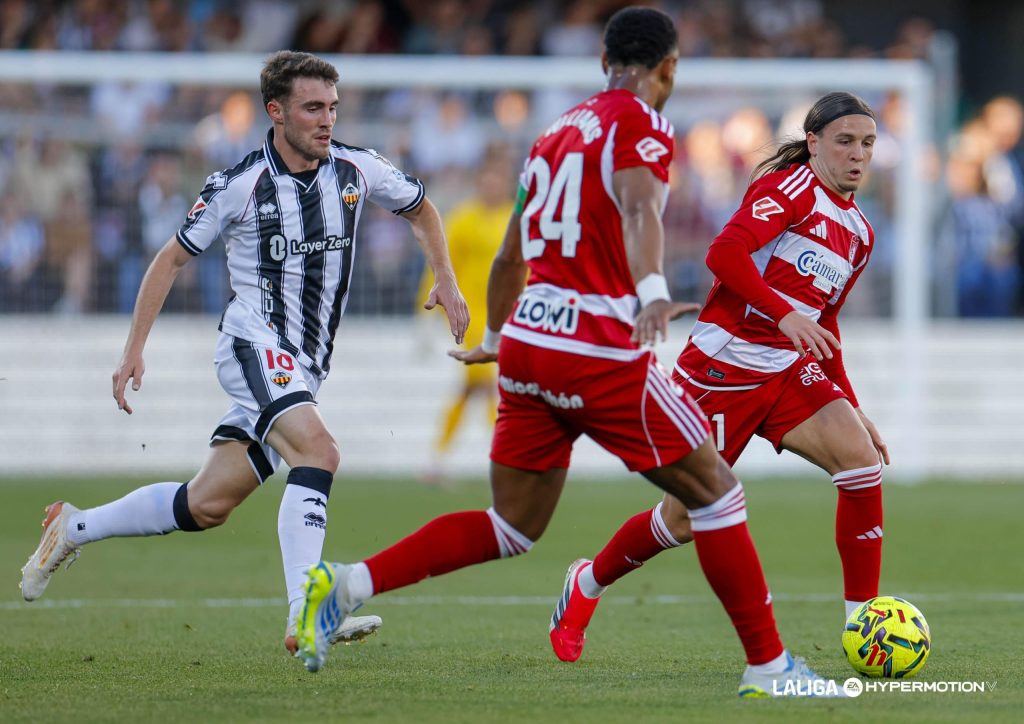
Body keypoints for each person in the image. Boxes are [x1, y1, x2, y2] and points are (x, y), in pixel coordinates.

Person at [295, 8, 838, 698]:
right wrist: (651, 289)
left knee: (512, 525)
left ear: (602, 63)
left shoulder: (554, 134)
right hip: (598, 346)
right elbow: (641, 206)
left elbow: (510, 253)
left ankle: (346, 584)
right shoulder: (642, 121)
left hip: (529, 342)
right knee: (718, 494)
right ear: (668, 67)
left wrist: (494, 339)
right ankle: (769, 668)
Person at [20, 51, 469, 655]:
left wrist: (446, 278)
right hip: (251, 344)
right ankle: (307, 611)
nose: (326, 120)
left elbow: (422, 210)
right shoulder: (240, 185)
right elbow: (171, 257)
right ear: (276, 111)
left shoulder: (359, 170)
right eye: (313, 108)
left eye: (332, 107)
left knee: (207, 504)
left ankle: (71, 527)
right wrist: (133, 350)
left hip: (304, 364)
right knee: (321, 451)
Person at [548, 91, 888, 664]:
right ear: (813, 143)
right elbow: (724, 254)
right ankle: (586, 583)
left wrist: (853, 407)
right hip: (720, 369)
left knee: (861, 461)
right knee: (680, 520)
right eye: (845, 141)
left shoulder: (859, 231)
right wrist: (784, 313)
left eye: (868, 144)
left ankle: (865, 627)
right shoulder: (788, 191)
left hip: (785, 370)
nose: (858, 155)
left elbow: (823, 325)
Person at [418, 147, 515, 483]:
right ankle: (503, 459)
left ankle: (437, 459)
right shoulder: (463, 218)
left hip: (509, 317)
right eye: (487, 179)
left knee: (474, 389)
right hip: (471, 316)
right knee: (489, 383)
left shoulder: (515, 218)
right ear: (479, 181)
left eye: (497, 179)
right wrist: (426, 315)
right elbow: (440, 265)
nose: (492, 185)